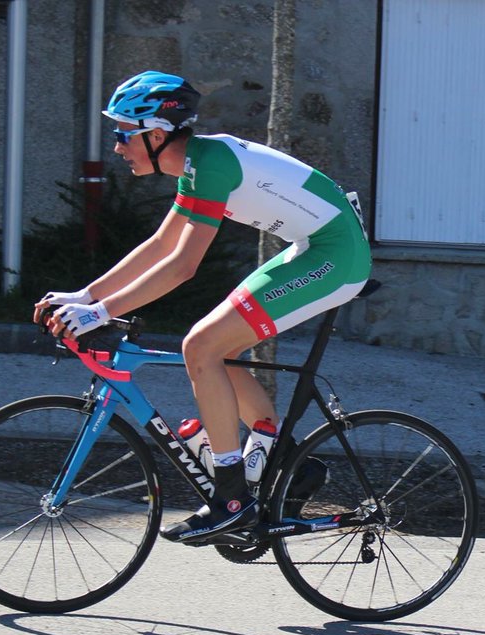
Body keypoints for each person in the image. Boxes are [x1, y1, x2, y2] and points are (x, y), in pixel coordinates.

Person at [34, 70, 372, 545]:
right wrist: (86, 297)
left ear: (156, 135)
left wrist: (101, 312)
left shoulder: (210, 164)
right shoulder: (199, 162)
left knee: (202, 344)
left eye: (122, 135)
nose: (116, 147)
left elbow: (182, 266)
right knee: (214, 344)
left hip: (336, 257)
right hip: (314, 246)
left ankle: (231, 501)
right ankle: (286, 464)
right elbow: (161, 244)